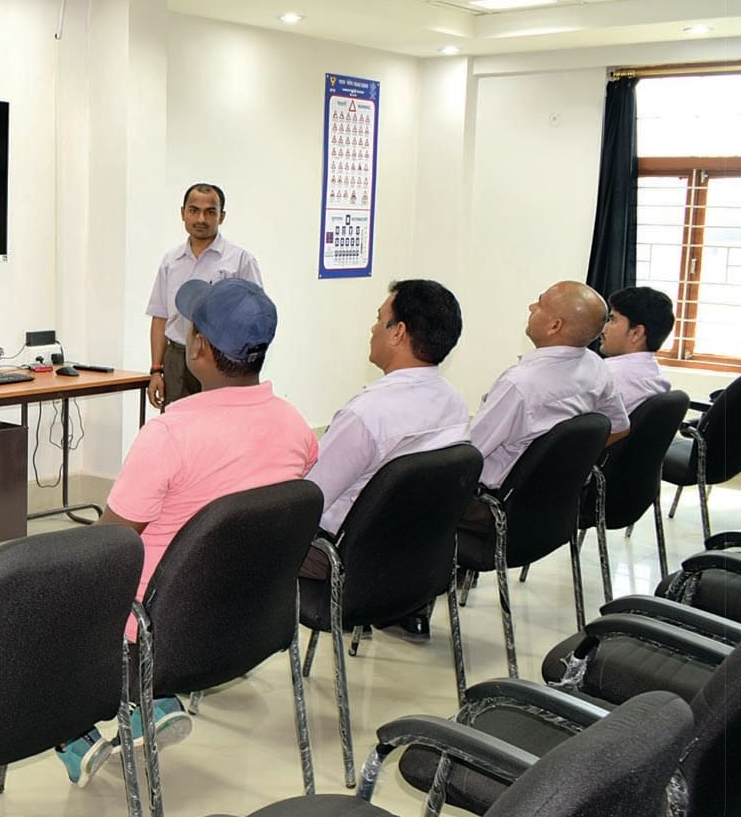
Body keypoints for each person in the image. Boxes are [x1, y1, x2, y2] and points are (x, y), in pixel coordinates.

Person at [56, 277, 317, 786]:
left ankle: (72, 732)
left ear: (198, 347)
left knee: (43, 597)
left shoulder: (169, 435)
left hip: (156, 632)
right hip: (249, 624)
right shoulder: (296, 427)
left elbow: (106, 547)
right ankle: (151, 704)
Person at [300, 280, 469, 578]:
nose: (372, 328)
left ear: (398, 332)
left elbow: (309, 499)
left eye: (379, 319)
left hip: (345, 561)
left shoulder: (367, 415)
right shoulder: (454, 402)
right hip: (418, 558)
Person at [462, 281, 630, 531]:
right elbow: (620, 428)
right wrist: (561, 469)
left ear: (555, 326)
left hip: (494, 507)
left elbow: (469, 456)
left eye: (539, 304)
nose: (531, 307)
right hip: (554, 507)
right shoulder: (596, 367)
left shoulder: (520, 384)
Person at [145, 183, 262, 411]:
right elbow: (160, 317)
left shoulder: (240, 260)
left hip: (222, 360)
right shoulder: (171, 261)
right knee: (177, 424)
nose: (201, 219)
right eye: (194, 210)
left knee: (220, 423)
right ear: (183, 213)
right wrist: (156, 370)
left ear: (222, 216)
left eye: (210, 212)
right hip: (177, 358)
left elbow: (255, 318)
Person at [599, 286, 674, 413]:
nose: (603, 329)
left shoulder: (606, 375)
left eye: (612, 320)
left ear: (636, 333)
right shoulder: (657, 376)